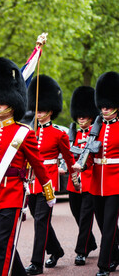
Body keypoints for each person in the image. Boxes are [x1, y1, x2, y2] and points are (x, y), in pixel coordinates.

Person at [0, 58, 56, 276]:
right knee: (4, 245)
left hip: (13, 193)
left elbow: (38, 164)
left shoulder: (24, 132)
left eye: (2, 101)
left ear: (12, 103)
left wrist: (48, 191)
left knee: (1, 248)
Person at [25, 75, 77, 275]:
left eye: (42, 110)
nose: (39, 113)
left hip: (48, 181)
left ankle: (36, 263)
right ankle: (56, 250)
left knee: (40, 220)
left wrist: (73, 175)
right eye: (37, 110)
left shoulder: (58, 134)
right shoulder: (29, 132)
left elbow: (69, 158)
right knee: (40, 219)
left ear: (50, 111)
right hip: (31, 181)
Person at [73, 71, 119, 276]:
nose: (105, 109)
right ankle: (115, 255)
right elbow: (91, 153)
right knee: (102, 222)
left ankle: (104, 265)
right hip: (96, 182)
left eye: (108, 106)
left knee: (109, 224)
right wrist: (81, 165)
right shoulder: (96, 127)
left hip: (116, 180)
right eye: (102, 106)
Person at [67, 86, 99, 266]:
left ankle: (81, 251)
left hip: (90, 180)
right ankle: (91, 242)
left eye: (84, 116)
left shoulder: (97, 133)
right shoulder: (73, 133)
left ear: (91, 117)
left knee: (86, 216)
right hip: (74, 182)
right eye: (79, 116)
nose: (81, 119)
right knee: (77, 214)